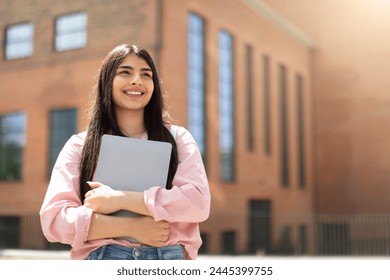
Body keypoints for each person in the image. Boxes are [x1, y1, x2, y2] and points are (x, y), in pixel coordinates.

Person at [39, 44, 210, 260]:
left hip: (166, 259)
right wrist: (132, 226)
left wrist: (120, 200)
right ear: (107, 82)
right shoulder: (80, 145)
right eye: (125, 72)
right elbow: (53, 221)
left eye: (146, 74)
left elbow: (198, 204)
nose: (137, 80)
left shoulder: (178, 138)